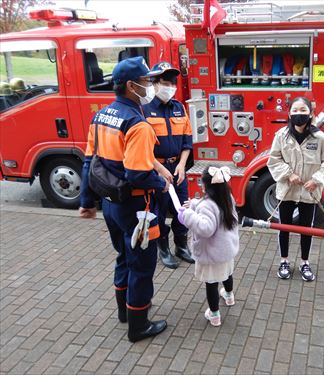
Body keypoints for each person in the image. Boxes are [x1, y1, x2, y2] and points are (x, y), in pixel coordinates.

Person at [79, 56, 170, 343]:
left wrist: (86, 201)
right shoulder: (138, 125)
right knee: (142, 267)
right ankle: (138, 326)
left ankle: (125, 312)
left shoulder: (101, 116)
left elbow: (89, 161)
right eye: (147, 81)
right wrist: (162, 184)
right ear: (132, 86)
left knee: (124, 257)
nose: (152, 86)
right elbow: (137, 175)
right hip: (137, 207)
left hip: (111, 205)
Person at [267, 96, 324, 282]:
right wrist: (288, 174)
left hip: (309, 192)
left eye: (303, 110)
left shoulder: (320, 138)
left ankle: (305, 263)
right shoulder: (281, 136)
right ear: (289, 113)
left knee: (307, 229)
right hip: (287, 191)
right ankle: (284, 261)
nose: (299, 114)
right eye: (295, 110)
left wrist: (317, 180)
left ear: (311, 114)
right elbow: (273, 160)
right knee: (284, 227)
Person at [143, 61, 195, 269]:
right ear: (154, 84)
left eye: (172, 82)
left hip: (177, 169)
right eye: (165, 82)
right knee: (160, 212)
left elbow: (187, 141)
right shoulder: (144, 109)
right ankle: (162, 247)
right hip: (156, 171)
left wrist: (182, 165)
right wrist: (160, 170)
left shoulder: (179, 108)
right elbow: (142, 149)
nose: (170, 87)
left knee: (182, 210)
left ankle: (181, 246)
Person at [177, 166, 239, 326]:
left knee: (211, 283)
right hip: (225, 251)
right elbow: (212, 210)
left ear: (207, 187)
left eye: (202, 183)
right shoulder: (227, 197)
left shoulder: (207, 205)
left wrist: (188, 215)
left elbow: (205, 228)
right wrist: (195, 203)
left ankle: (214, 314)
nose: (200, 186)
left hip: (211, 253)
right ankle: (229, 296)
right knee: (227, 274)